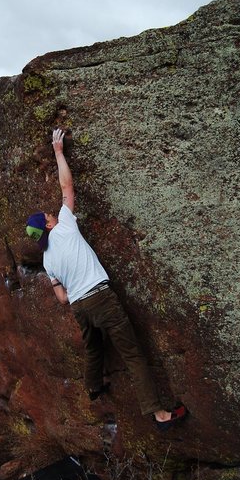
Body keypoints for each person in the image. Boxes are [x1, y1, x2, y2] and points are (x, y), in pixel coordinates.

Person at [26, 129, 187, 430]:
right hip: (100, 298)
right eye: (50, 215)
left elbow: (61, 298)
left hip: (79, 307)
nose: (54, 214)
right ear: (48, 224)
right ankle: (160, 414)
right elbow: (67, 186)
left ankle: (93, 388)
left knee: (93, 346)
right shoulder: (65, 228)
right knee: (133, 354)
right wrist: (58, 151)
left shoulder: (47, 259)